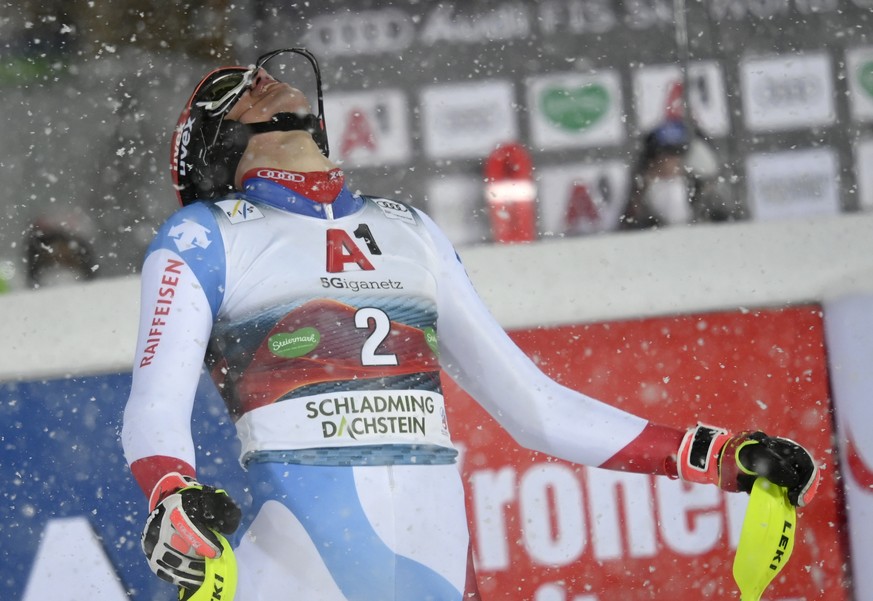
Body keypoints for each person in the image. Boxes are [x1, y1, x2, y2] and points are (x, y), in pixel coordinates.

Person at [121, 48, 821, 601]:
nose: (262, 81)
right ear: (218, 149)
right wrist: (171, 492)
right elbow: (154, 403)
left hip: (442, 573)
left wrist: (714, 454)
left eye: (262, 76)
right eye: (234, 93)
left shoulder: (409, 229)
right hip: (298, 575)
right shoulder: (202, 233)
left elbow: (535, 406)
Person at [620, 118, 732, 229]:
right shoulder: (638, 214)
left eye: (676, 161)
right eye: (661, 164)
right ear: (649, 167)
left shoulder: (710, 207)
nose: (670, 167)